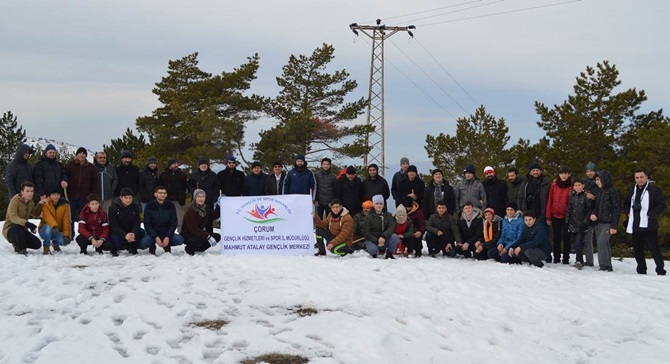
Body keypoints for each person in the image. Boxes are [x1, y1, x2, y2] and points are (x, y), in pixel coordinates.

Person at [624, 169, 666, 276]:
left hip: (649, 224)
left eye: (641, 177)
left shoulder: (654, 190)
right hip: (635, 224)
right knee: (638, 249)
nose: (639, 180)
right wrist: (628, 213)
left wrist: (650, 214)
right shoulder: (632, 190)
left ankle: (660, 269)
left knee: (654, 248)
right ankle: (641, 269)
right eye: (637, 177)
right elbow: (626, 204)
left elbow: (662, 205)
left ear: (646, 177)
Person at [589, 170, 620, 272]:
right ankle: (605, 265)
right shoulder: (599, 192)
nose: (596, 182)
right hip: (599, 222)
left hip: (608, 222)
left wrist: (614, 226)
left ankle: (605, 266)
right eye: (596, 180)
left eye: (598, 179)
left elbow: (616, 209)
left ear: (604, 180)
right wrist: (593, 214)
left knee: (601, 242)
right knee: (604, 244)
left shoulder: (613, 191)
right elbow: (597, 207)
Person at [140, 186, 184, 255]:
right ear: (155, 194)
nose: (162, 195)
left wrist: (168, 236)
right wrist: (155, 237)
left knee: (179, 239)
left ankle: (167, 246)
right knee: (143, 243)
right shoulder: (149, 206)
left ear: (166, 194)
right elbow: (147, 224)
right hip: (153, 234)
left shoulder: (170, 205)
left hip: (166, 232)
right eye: (160, 193)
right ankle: (152, 246)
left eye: (164, 193)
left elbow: (173, 223)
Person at [3, 181, 42, 255]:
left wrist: (40, 204)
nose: (30, 193)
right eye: (27, 191)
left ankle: (18, 243)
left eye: (32, 191)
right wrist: (27, 223)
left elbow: (35, 214)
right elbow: (13, 218)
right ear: (22, 192)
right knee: (18, 226)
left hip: (22, 230)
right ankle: (21, 249)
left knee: (37, 244)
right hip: (10, 230)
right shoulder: (15, 201)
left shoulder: (30, 202)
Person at [65, 147, 98, 231]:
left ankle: (85, 233)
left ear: (86, 155)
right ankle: (70, 233)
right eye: (80, 153)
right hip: (71, 196)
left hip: (85, 197)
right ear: (77, 154)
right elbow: (65, 177)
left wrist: (93, 196)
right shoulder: (70, 165)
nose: (81, 155)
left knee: (85, 217)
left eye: (83, 153)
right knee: (70, 216)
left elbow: (95, 182)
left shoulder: (91, 167)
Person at [546, 166, 573, 264]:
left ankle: (566, 259)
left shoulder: (572, 186)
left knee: (567, 238)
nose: (564, 176)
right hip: (555, 215)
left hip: (567, 216)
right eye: (562, 173)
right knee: (556, 238)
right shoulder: (554, 185)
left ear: (569, 174)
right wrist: (548, 216)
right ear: (559, 175)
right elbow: (550, 200)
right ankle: (556, 258)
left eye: (566, 173)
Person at [181, 189, 221, 255]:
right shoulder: (190, 211)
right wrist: (208, 236)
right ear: (195, 197)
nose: (201, 198)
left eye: (203, 196)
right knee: (198, 239)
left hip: (199, 233)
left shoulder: (205, 208)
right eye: (199, 196)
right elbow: (194, 229)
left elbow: (213, 216)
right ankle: (189, 249)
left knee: (217, 236)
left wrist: (218, 206)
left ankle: (199, 249)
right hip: (189, 235)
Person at [109, 187, 145, 255]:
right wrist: (125, 235)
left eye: (130, 198)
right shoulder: (113, 208)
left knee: (142, 232)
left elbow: (137, 222)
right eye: (126, 198)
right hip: (119, 231)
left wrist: (133, 233)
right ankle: (120, 247)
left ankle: (132, 246)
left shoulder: (135, 207)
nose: (128, 200)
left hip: (131, 231)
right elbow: (114, 225)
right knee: (115, 239)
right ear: (121, 197)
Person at [361, 194, 398, 259]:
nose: (379, 205)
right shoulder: (368, 217)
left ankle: (389, 253)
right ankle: (372, 252)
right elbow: (366, 232)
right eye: (377, 203)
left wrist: (383, 236)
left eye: (381, 204)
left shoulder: (389, 216)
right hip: (373, 240)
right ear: (373, 205)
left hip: (384, 239)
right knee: (373, 250)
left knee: (394, 237)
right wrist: (377, 240)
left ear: (383, 205)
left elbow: (391, 227)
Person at [38, 186, 72, 255]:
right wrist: (54, 226)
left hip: (57, 230)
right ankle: (46, 246)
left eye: (58, 194)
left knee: (64, 241)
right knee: (48, 225)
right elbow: (48, 217)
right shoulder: (45, 203)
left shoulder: (65, 205)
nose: (56, 196)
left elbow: (66, 221)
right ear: (50, 195)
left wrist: (66, 235)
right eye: (53, 194)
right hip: (45, 230)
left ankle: (55, 243)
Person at [566, 179, 591, 269]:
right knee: (575, 243)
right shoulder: (572, 196)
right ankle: (579, 259)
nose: (577, 187)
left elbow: (589, 210)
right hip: (573, 223)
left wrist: (585, 222)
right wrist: (567, 221)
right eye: (575, 186)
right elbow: (569, 209)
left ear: (583, 186)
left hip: (582, 224)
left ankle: (579, 261)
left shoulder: (586, 196)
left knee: (578, 243)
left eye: (579, 185)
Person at [159, 159, 187, 232]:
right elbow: (160, 187)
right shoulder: (163, 175)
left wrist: (183, 196)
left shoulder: (182, 175)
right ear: (170, 165)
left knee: (180, 218)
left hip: (179, 200)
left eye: (176, 163)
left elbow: (185, 187)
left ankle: (181, 233)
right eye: (174, 164)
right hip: (166, 199)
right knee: (166, 218)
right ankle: (165, 234)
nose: (176, 165)